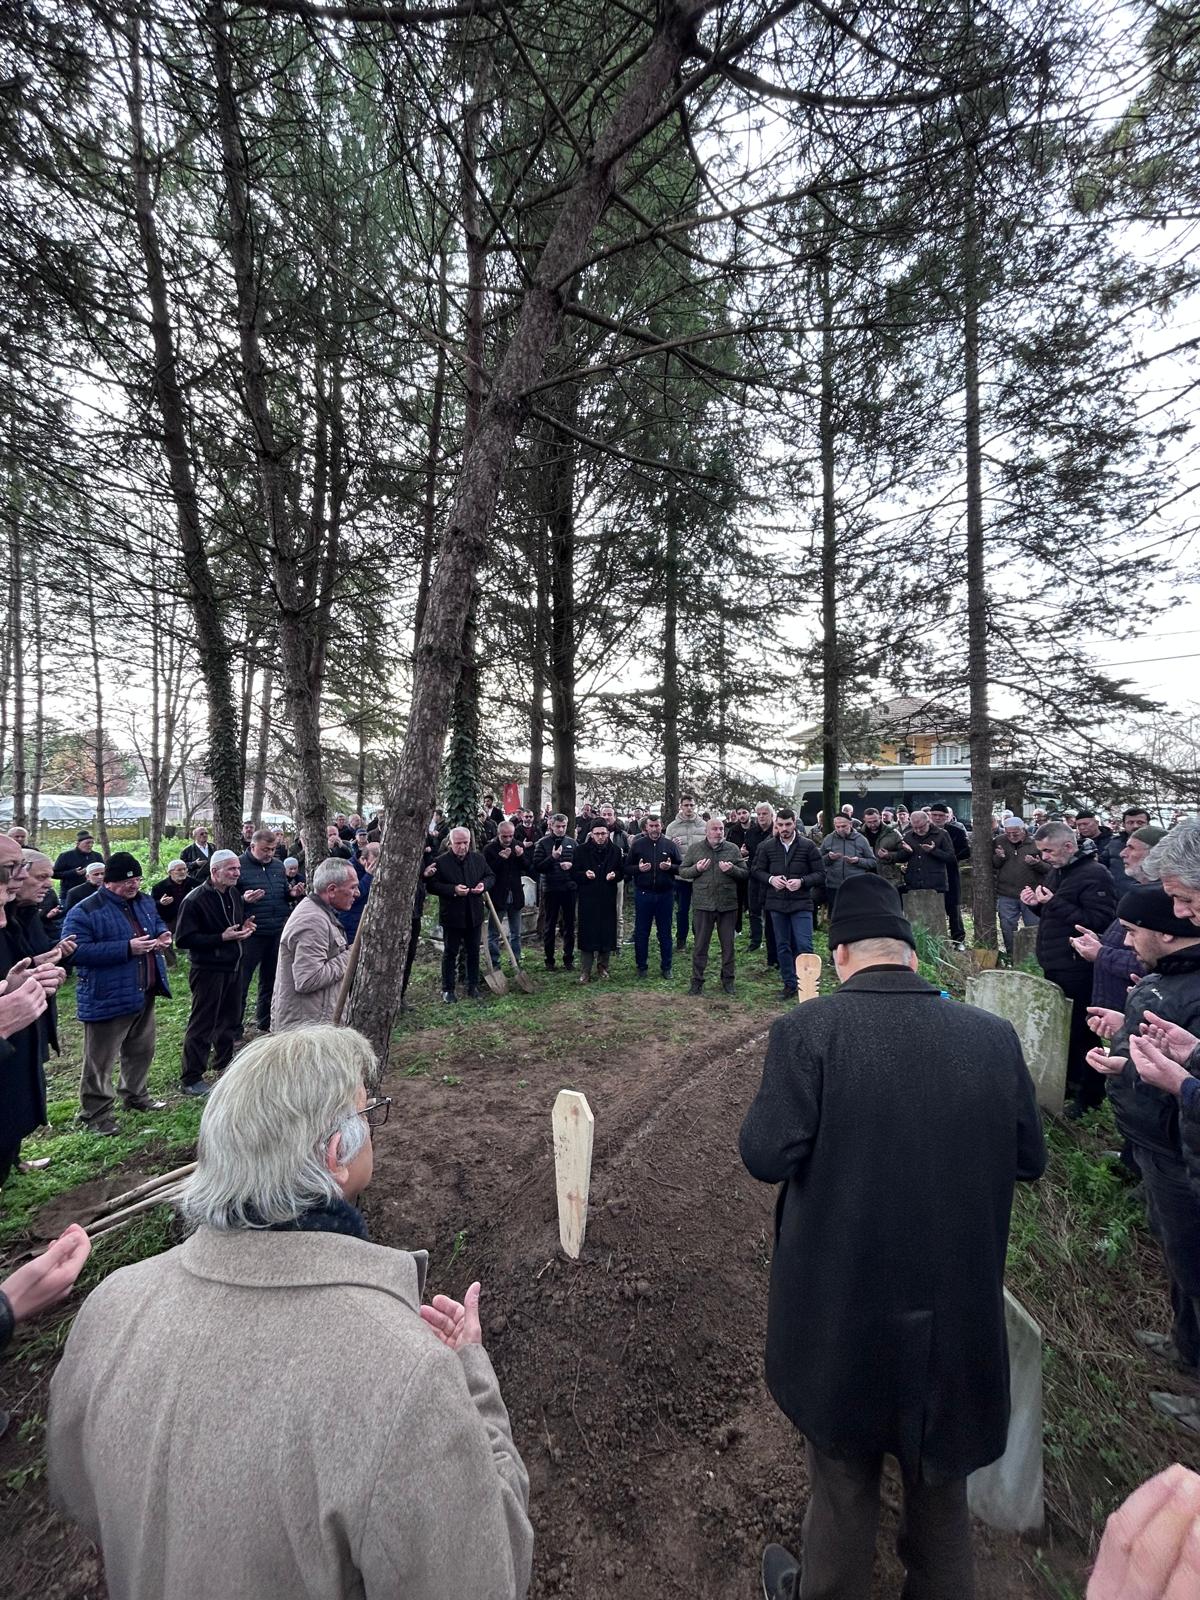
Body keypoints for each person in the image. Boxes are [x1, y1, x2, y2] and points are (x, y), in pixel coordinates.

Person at [47, 1026, 534, 1600]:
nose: (374, 1125)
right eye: (368, 1112)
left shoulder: (110, 1305)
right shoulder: (408, 1377)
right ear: (335, 1158)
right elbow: (488, 1574)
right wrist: (472, 1379)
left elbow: (75, 1491)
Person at [741, 874, 1046, 1600]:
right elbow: (1029, 1159)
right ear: (911, 955)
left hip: (842, 1309)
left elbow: (764, 1155)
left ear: (839, 955)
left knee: (843, 1477)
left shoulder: (809, 1031)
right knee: (940, 1482)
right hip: (955, 1312)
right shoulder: (992, 1037)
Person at [1084, 885, 1200, 1433]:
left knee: (1195, 1262)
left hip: (1181, 1150)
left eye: (1133, 932)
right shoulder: (1166, 980)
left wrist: (1161, 1075)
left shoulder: (1192, 990)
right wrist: (1122, 1037)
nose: (1126, 943)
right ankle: (1185, 1345)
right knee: (1179, 1253)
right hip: (1155, 1143)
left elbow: (1184, 1075)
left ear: (1168, 934)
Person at [62, 853, 172, 1136]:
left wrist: (162, 935)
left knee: (141, 1050)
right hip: (108, 996)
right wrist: (126, 948)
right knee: (100, 1060)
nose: (133, 885)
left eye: (137, 880)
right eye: (126, 881)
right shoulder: (86, 910)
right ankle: (96, 1114)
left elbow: (156, 923)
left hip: (144, 989)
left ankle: (135, 1095)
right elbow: (75, 952)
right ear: (108, 882)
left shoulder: (144, 901)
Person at [1023, 821, 1118, 1116]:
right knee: (1066, 1029)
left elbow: (1100, 921)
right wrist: (1036, 904)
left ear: (1068, 846)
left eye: (1048, 851)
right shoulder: (1060, 870)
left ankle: (1090, 1095)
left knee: (1082, 1030)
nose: (1044, 857)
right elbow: (1054, 912)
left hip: (1078, 965)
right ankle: (1070, 1083)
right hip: (1056, 961)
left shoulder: (1094, 874)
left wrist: (1052, 904)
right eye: (1041, 851)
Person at [0, 840, 69, 1184]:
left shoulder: (22, 917)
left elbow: (16, 965)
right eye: (11, 870)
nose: (21, 878)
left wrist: (30, 976)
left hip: (26, 1034)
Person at [175, 850, 256, 1097]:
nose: (237, 873)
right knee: (203, 1023)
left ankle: (224, 1065)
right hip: (208, 970)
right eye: (231, 869)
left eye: (238, 868)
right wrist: (221, 937)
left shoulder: (233, 893)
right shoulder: (194, 900)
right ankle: (191, 1077)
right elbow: (183, 939)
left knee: (230, 1020)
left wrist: (245, 926)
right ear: (214, 871)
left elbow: (235, 922)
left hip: (233, 965)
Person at [272, 858, 359, 1029]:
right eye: (352, 887)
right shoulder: (312, 921)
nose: (357, 893)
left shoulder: (321, 914)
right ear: (332, 890)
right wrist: (351, 955)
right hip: (305, 1030)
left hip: (315, 1022)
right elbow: (308, 980)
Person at [752, 808, 824, 1001]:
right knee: (782, 945)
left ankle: (808, 986)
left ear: (794, 823)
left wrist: (802, 881)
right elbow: (756, 870)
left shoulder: (808, 846)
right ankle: (789, 984)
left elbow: (820, 874)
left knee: (804, 945)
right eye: (781, 825)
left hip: (801, 903)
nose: (784, 828)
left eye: (788, 824)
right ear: (776, 825)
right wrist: (771, 879)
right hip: (777, 904)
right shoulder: (767, 847)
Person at [678, 817, 747, 996]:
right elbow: (683, 871)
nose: (718, 832)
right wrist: (697, 869)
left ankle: (728, 981)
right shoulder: (696, 849)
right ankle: (697, 982)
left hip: (727, 905)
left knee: (728, 946)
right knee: (700, 946)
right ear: (706, 832)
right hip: (703, 905)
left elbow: (744, 873)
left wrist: (731, 870)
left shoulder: (732, 849)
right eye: (714, 829)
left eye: (721, 829)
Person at [237, 829, 292, 1036]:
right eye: (265, 849)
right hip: (251, 933)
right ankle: (234, 1028)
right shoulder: (238, 866)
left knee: (270, 980)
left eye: (272, 849)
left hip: (276, 930)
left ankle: (265, 1022)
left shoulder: (278, 866)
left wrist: (292, 894)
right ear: (252, 846)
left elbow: (283, 892)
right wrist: (244, 900)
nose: (269, 853)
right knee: (242, 982)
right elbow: (227, 898)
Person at [430, 828, 493, 1003]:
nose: (462, 846)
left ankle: (472, 985)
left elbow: (490, 876)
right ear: (450, 843)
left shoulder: (478, 859)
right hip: (452, 915)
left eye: (465, 842)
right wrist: (453, 890)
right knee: (450, 952)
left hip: (474, 913)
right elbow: (432, 885)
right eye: (458, 843)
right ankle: (448, 989)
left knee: (473, 951)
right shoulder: (441, 862)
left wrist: (483, 885)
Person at [625, 815, 681, 979]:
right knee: (642, 932)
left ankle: (667, 967)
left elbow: (681, 867)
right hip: (644, 894)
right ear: (646, 827)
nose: (655, 829)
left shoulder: (670, 845)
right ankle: (641, 967)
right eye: (651, 826)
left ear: (661, 826)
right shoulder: (638, 845)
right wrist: (638, 869)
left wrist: (670, 867)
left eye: (657, 826)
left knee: (665, 933)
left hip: (665, 895)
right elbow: (627, 868)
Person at [573, 822, 623, 983]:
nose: (600, 837)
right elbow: (574, 873)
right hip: (588, 896)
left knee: (606, 932)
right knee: (587, 932)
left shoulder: (615, 851)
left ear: (608, 833)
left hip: (607, 896)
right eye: (597, 834)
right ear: (591, 834)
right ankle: (585, 970)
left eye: (603, 833)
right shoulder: (581, 850)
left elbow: (622, 872)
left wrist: (615, 875)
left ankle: (603, 967)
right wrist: (584, 875)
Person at [992, 818, 1048, 958]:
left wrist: (1036, 864)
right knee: (1007, 927)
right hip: (1006, 893)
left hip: (1031, 894)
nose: (1011, 836)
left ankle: (1034, 958)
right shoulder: (999, 841)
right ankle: (1012, 956)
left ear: (1023, 830)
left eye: (1015, 833)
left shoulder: (1036, 843)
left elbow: (1049, 869)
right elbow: (993, 865)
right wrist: (1000, 857)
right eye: (1008, 833)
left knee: (1034, 927)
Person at [533, 814, 577, 971]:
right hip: (550, 889)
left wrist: (571, 866)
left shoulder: (572, 843)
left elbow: (580, 864)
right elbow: (537, 866)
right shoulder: (542, 843)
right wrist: (552, 858)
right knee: (550, 925)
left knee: (569, 925)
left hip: (569, 888)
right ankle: (549, 960)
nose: (561, 829)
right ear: (551, 826)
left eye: (563, 826)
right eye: (558, 826)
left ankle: (568, 959)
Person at [484, 823, 530, 969]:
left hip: (515, 894)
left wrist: (521, 856)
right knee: (493, 933)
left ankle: (515, 960)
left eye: (511, 836)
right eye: (505, 836)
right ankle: (495, 962)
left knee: (516, 932)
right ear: (498, 834)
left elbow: (528, 867)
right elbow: (487, 872)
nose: (508, 839)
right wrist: (501, 859)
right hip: (498, 896)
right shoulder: (490, 849)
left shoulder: (518, 845)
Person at [665, 796, 706, 951]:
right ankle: (681, 940)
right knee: (682, 909)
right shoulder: (672, 827)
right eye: (686, 805)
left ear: (695, 806)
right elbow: (665, 851)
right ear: (680, 806)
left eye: (691, 805)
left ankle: (699, 939)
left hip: (700, 875)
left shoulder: (703, 825)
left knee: (699, 909)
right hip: (681, 875)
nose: (689, 808)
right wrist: (671, 845)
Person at [928, 802, 971, 943]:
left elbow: (966, 851)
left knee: (953, 908)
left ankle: (958, 940)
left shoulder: (956, 832)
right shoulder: (923, 831)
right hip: (929, 874)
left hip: (950, 872)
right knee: (932, 907)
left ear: (947, 817)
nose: (937, 818)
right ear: (930, 816)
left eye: (941, 816)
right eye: (934, 815)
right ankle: (934, 939)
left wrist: (950, 857)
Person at [817, 814, 877, 916]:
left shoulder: (861, 840)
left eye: (844, 826)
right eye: (837, 826)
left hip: (855, 885)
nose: (840, 829)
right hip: (833, 885)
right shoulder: (829, 839)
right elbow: (818, 862)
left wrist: (858, 861)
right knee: (835, 916)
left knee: (855, 916)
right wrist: (828, 858)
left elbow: (873, 862)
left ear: (850, 824)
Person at [743, 803, 779, 966]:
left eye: (765, 814)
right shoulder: (751, 833)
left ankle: (773, 944)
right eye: (759, 814)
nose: (761, 817)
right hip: (755, 875)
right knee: (754, 910)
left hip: (772, 877)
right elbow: (749, 853)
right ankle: (755, 940)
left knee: (771, 913)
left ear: (772, 815)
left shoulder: (776, 830)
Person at [1103, 806, 1152, 897]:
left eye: (1140, 822)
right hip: (1118, 897)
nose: (1135, 826)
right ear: (1124, 825)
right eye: (1130, 822)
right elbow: (1101, 866)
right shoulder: (1113, 844)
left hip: (1149, 896)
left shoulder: (1158, 845)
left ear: (1148, 824)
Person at [341, 842, 379, 946]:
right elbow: (353, 895)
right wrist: (369, 876)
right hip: (350, 920)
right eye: (373, 863)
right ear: (363, 859)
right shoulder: (348, 869)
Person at [52, 830, 104, 906]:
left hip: (93, 894)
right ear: (78, 843)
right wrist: (74, 873)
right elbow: (54, 874)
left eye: (92, 843)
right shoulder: (66, 856)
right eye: (87, 843)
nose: (90, 845)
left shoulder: (96, 856)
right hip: (69, 895)